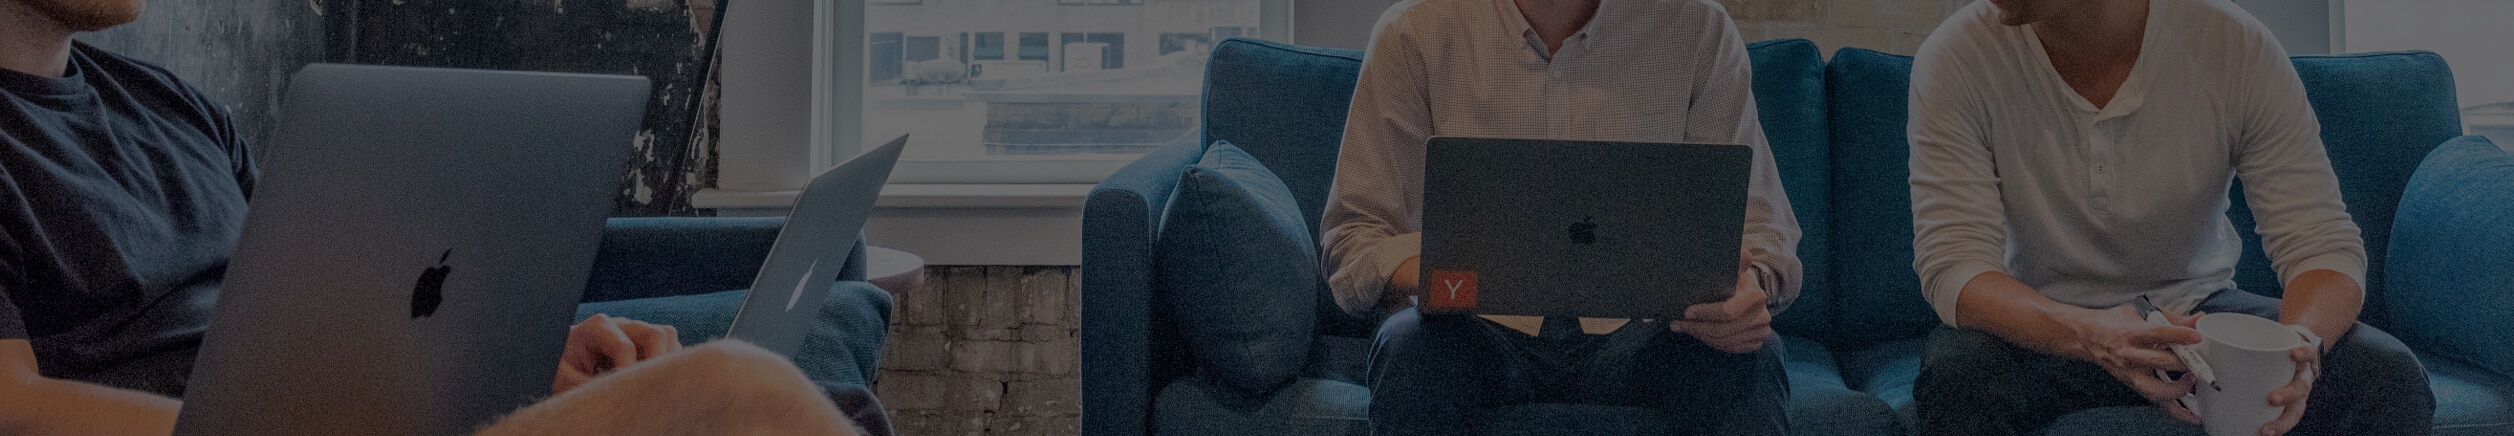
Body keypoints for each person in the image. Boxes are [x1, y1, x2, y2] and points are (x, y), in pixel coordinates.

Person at [0, 1, 871, 434]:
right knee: (736, 393)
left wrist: (526, 352)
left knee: (835, 406)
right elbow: (15, 405)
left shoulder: (176, 110)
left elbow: (326, 308)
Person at [1905, 0, 2433, 434]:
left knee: (2385, 376)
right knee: (1960, 376)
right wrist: (2092, 333)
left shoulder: (2233, 44)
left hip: (2196, 321)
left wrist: (2298, 349)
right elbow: (1954, 267)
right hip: (2043, 326)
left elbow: (2321, 244)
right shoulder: (1958, 56)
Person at [1320, 0, 1803, 433]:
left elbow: (1762, 233)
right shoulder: (1413, 32)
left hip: (1651, 332)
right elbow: (1354, 239)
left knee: (1750, 359)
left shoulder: (1700, 30)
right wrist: (1442, 277)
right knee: (1409, 348)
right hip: (1475, 328)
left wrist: (1746, 290)